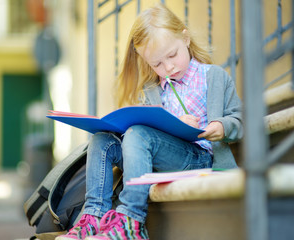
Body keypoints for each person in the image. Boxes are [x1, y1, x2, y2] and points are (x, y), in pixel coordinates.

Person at [57, 3, 243, 240]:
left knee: (138, 133)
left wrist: (220, 127)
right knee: (102, 140)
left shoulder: (214, 77)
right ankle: (93, 217)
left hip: (200, 158)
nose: (168, 68)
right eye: (157, 64)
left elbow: (239, 121)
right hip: (157, 160)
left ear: (185, 38)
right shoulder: (152, 90)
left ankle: (130, 221)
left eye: (172, 55)